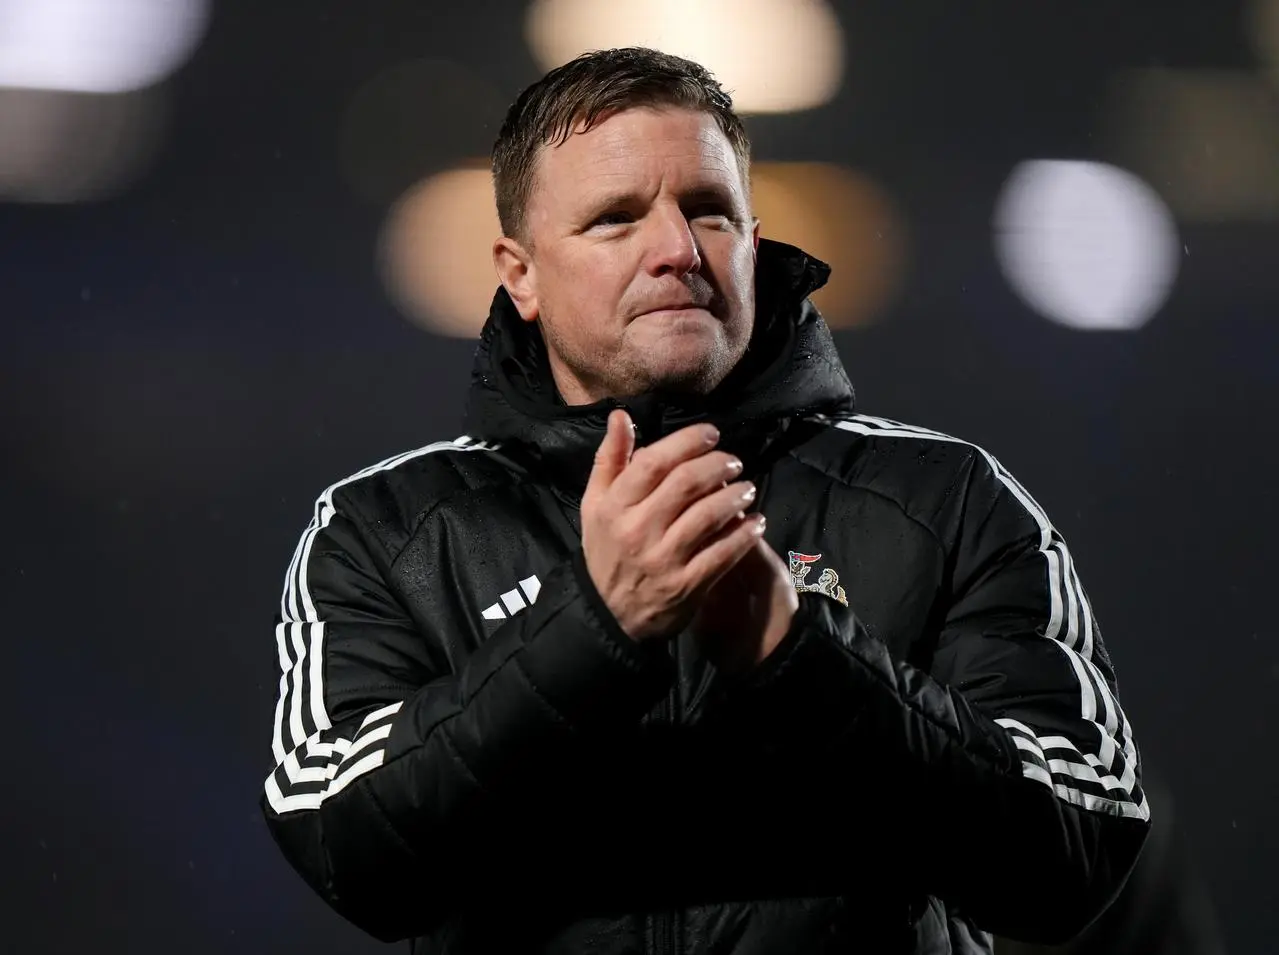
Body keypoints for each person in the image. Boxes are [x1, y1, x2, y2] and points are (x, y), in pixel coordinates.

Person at [261, 47, 1150, 954]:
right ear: (518, 272)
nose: (676, 251)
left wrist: (792, 649)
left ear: (753, 244)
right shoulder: (386, 531)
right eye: (614, 220)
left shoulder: (949, 498)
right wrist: (593, 630)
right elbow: (348, 849)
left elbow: (1078, 847)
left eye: (708, 211)